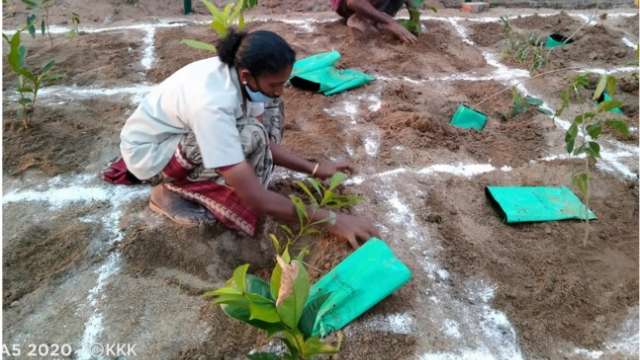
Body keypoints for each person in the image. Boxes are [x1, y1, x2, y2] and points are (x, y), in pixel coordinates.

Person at [102, 29, 379, 249]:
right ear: (247, 76)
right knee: (250, 137)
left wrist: (315, 168)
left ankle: (207, 177)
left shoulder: (240, 74)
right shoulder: (212, 104)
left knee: (268, 112)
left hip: (175, 133)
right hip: (151, 154)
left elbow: (265, 139)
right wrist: (332, 220)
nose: (280, 90)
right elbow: (254, 196)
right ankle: (171, 193)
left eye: (283, 82)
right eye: (274, 84)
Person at [331, 0, 417, 44]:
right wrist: (390, 22)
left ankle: (376, 16)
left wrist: (415, 18)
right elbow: (353, 2)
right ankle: (360, 18)